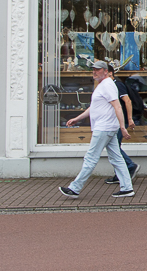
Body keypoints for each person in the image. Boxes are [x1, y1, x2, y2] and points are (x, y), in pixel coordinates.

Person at [58, 61, 135, 198]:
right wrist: (77, 118)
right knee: (117, 159)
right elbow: (94, 107)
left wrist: (123, 127)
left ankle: (75, 188)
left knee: (91, 158)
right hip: (107, 128)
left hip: (104, 128)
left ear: (106, 71)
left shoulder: (107, 85)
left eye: (98, 69)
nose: (94, 72)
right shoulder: (103, 85)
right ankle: (127, 188)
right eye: (93, 69)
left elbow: (117, 106)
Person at [104, 64, 140, 185]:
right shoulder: (108, 86)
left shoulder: (117, 85)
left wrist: (129, 119)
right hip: (113, 121)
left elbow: (127, 101)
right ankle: (119, 174)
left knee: (114, 148)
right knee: (114, 147)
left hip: (119, 121)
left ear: (110, 73)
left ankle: (130, 166)